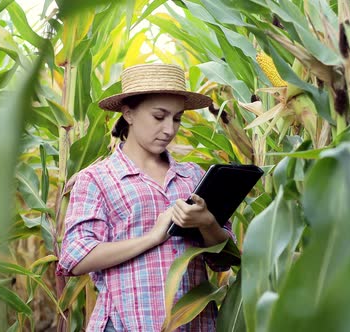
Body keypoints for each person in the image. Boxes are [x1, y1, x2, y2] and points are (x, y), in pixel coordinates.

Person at [56, 63, 234, 331]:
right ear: (128, 113)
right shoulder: (97, 178)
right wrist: (153, 237)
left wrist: (208, 222)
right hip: (126, 323)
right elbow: (74, 258)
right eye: (159, 116)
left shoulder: (193, 176)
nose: (169, 129)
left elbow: (224, 259)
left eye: (176, 118)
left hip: (193, 324)